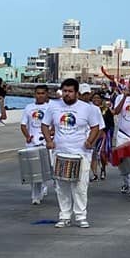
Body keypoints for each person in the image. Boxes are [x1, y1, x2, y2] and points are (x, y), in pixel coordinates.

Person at [42, 78, 100, 228]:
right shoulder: (53, 106)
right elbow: (44, 125)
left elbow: (95, 127)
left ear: (76, 93)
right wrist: (49, 140)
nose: (67, 94)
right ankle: (64, 216)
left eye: (70, 92)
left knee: (80, 187)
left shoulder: (87, 108)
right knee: (61, 187)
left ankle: (81, 216)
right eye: (65, 91)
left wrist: (89, 141)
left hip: (81, 153)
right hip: (60, 152)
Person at [21, 84, 52, 205]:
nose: (40, 96)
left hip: (45, 142)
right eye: (38, 93)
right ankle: (35, 196)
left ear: (46, 94)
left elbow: (54, 124)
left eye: (42, 93)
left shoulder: (50, 108)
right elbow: (23, 125)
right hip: (32, 143)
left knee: (45, 169)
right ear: (35, 94)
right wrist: (27, 136)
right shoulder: (29, 108)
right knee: (35, 172)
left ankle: (44, 186)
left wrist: (51, 134)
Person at [79, 83, 105, 181]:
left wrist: (92, 143)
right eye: (83, 94)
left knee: (85, 170)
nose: (86, 96)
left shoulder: (95, 109)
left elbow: (100, 128)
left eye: (87, 94)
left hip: (88, 144)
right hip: (76, 143)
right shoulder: (74, 108)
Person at [92, 92, 115, 181]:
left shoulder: (106, 110)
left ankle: (103, 169)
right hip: (91, 134)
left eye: (98, 98)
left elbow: (110, 123)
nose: (96, 100)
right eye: (94, 98)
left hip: (103, 134)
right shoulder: (89, 109)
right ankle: (94, 174)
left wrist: (106, 133)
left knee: (102, 153)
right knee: (92, 155)